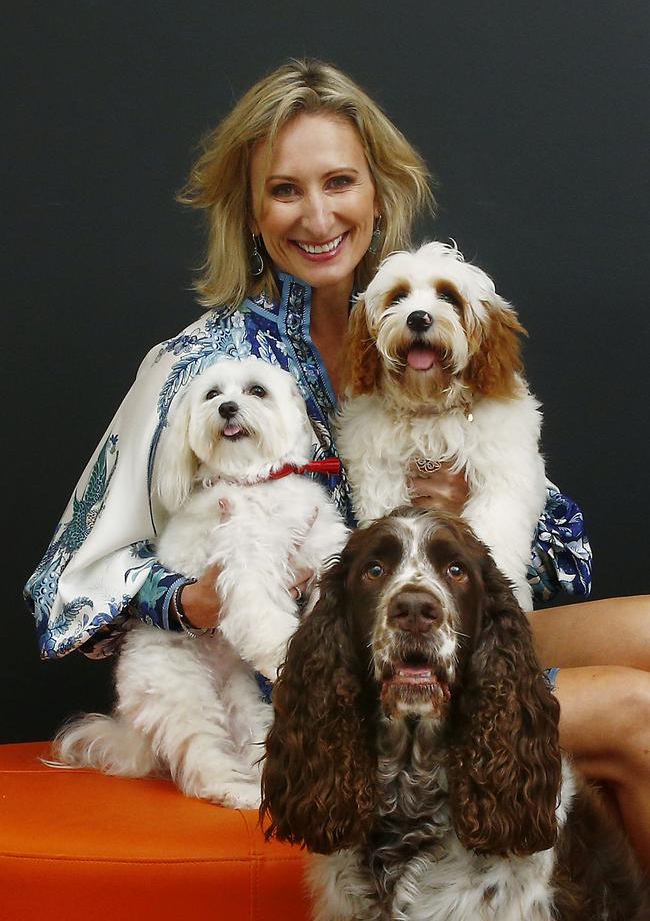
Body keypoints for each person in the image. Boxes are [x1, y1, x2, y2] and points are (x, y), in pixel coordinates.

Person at [25, 58, 650, 871]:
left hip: (442, 626)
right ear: (249, 211)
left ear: (377, 191)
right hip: (323, 682)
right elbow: (61, 593)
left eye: (339, 182)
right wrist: (195, 599)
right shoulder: (200, 367)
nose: (317, 215)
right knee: (637, 711)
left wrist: (461, 502)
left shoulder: (419, 323)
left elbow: (565, 555)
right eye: (285, 190)